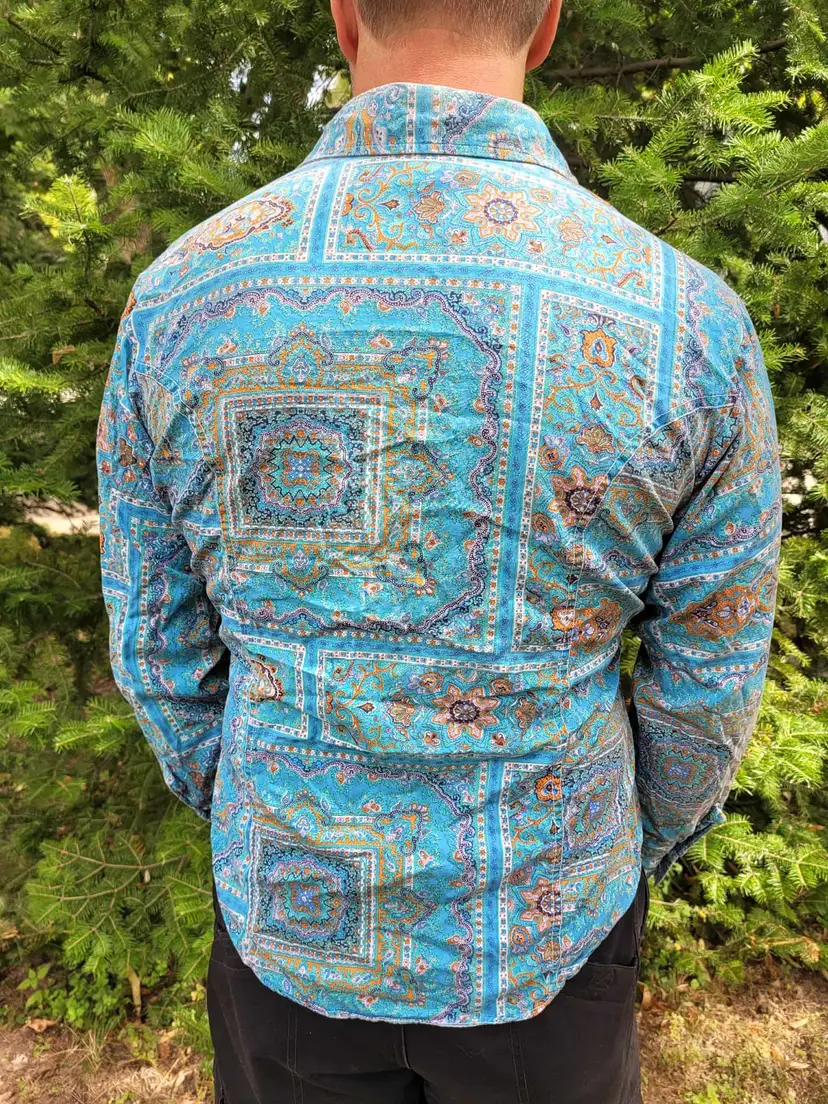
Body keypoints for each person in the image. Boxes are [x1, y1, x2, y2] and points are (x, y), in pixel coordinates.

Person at [96, 0, 782, 1099]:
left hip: (290, 918)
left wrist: (261, 802)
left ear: (344, 16)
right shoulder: (685, 321)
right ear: (547, 22)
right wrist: (613, 845)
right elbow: (710, 678)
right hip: (550, 929)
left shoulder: (183, 298)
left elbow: (155, 643)